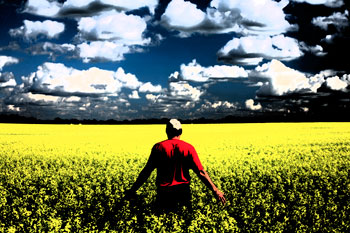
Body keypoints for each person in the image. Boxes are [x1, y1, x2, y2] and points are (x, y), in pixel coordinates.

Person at [124, 119, 226, 211]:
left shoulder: (158, 147)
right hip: (183, 191)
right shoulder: (189, 148)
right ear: (181, 131)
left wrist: (133, 190)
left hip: (164, 193)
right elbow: (200, 172)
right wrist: (215, 190)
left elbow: (146, 172)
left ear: (167, 131)